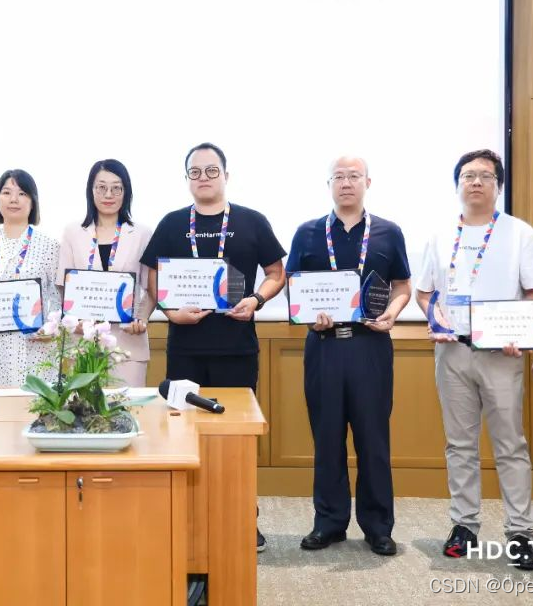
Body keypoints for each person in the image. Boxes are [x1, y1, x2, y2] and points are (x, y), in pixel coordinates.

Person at [141, 142, 286, 551]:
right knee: (182, 433)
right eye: (195, 171)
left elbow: (277, 272)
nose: (203, 178)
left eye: (211, 170)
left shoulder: (252, 221)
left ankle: (243, 518)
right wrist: (171, 312)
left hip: (237, 349)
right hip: (185, 349)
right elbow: (152, 277)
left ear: (226, 175)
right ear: (186, 178)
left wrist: (256, 299)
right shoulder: (172, 223)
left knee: (236, 439)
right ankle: (186, 520)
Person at [414, 148, 533, 571]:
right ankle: (464, 525)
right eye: (468, 175)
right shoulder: (440, 234)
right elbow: (424, 292)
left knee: (510, 444)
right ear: (457, 184)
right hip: (451, 352)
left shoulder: (519, 233)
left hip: (501, 355)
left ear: (498, 186)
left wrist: (518, 333)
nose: (475, 182)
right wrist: (435, 318)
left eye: (485, 176)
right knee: (459, 444)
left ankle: (520, 533)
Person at [285, 156, 411, 556]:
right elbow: (292, 286)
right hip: (323, 347)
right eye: (338, 176)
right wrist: (308, 316)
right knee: (326, 438)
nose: (346, 183)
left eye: (353, 176)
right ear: (329, 184)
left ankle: (378, 527)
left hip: (370, 347)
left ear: (367, 182)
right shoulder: (307, 233)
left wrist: (392, 313)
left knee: (373, 439)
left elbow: (402, 286)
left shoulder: (389, 232)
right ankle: (329, 522)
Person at [56, 159, 155, 386]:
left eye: (116, 188)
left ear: (126, 192)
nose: (108, 194)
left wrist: (141, 319)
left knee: (126, 406)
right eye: (101, 187)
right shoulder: (73, 232)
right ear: (91, 191)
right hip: (82, 342)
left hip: (127, 344)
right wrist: (73, 322)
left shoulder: (142, 234)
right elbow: (63, 286)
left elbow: (151, 289)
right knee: (83, 408)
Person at [0, 169, 60, 386]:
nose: (13, 199)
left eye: (22, 193)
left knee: (33, 404)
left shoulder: (50, 246)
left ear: (33, 201)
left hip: (34, 344)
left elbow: (57, 296)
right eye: (6, 192)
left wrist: (52, 327)